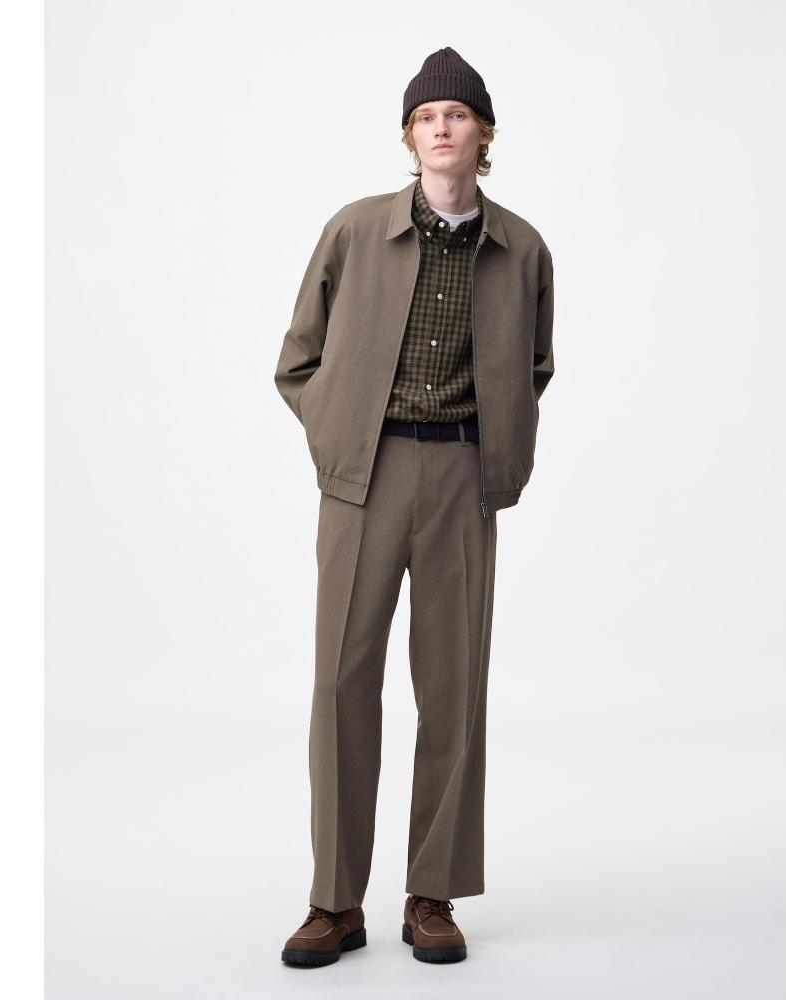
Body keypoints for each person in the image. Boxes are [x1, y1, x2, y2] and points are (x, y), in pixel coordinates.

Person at [274, 45, 556, 967]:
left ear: (483, 135)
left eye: (457, 114)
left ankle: (432, 894)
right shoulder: (356, 230)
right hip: (365, 476)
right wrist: (337, 435)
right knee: (342, 683)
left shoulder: (522, 248)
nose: (442, 127)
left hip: (463, 477)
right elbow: (299, 359)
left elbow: (535, 366)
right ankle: (333, 902)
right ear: (409, 136)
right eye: (427, 116)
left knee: (452, 689)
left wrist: (497, 449)